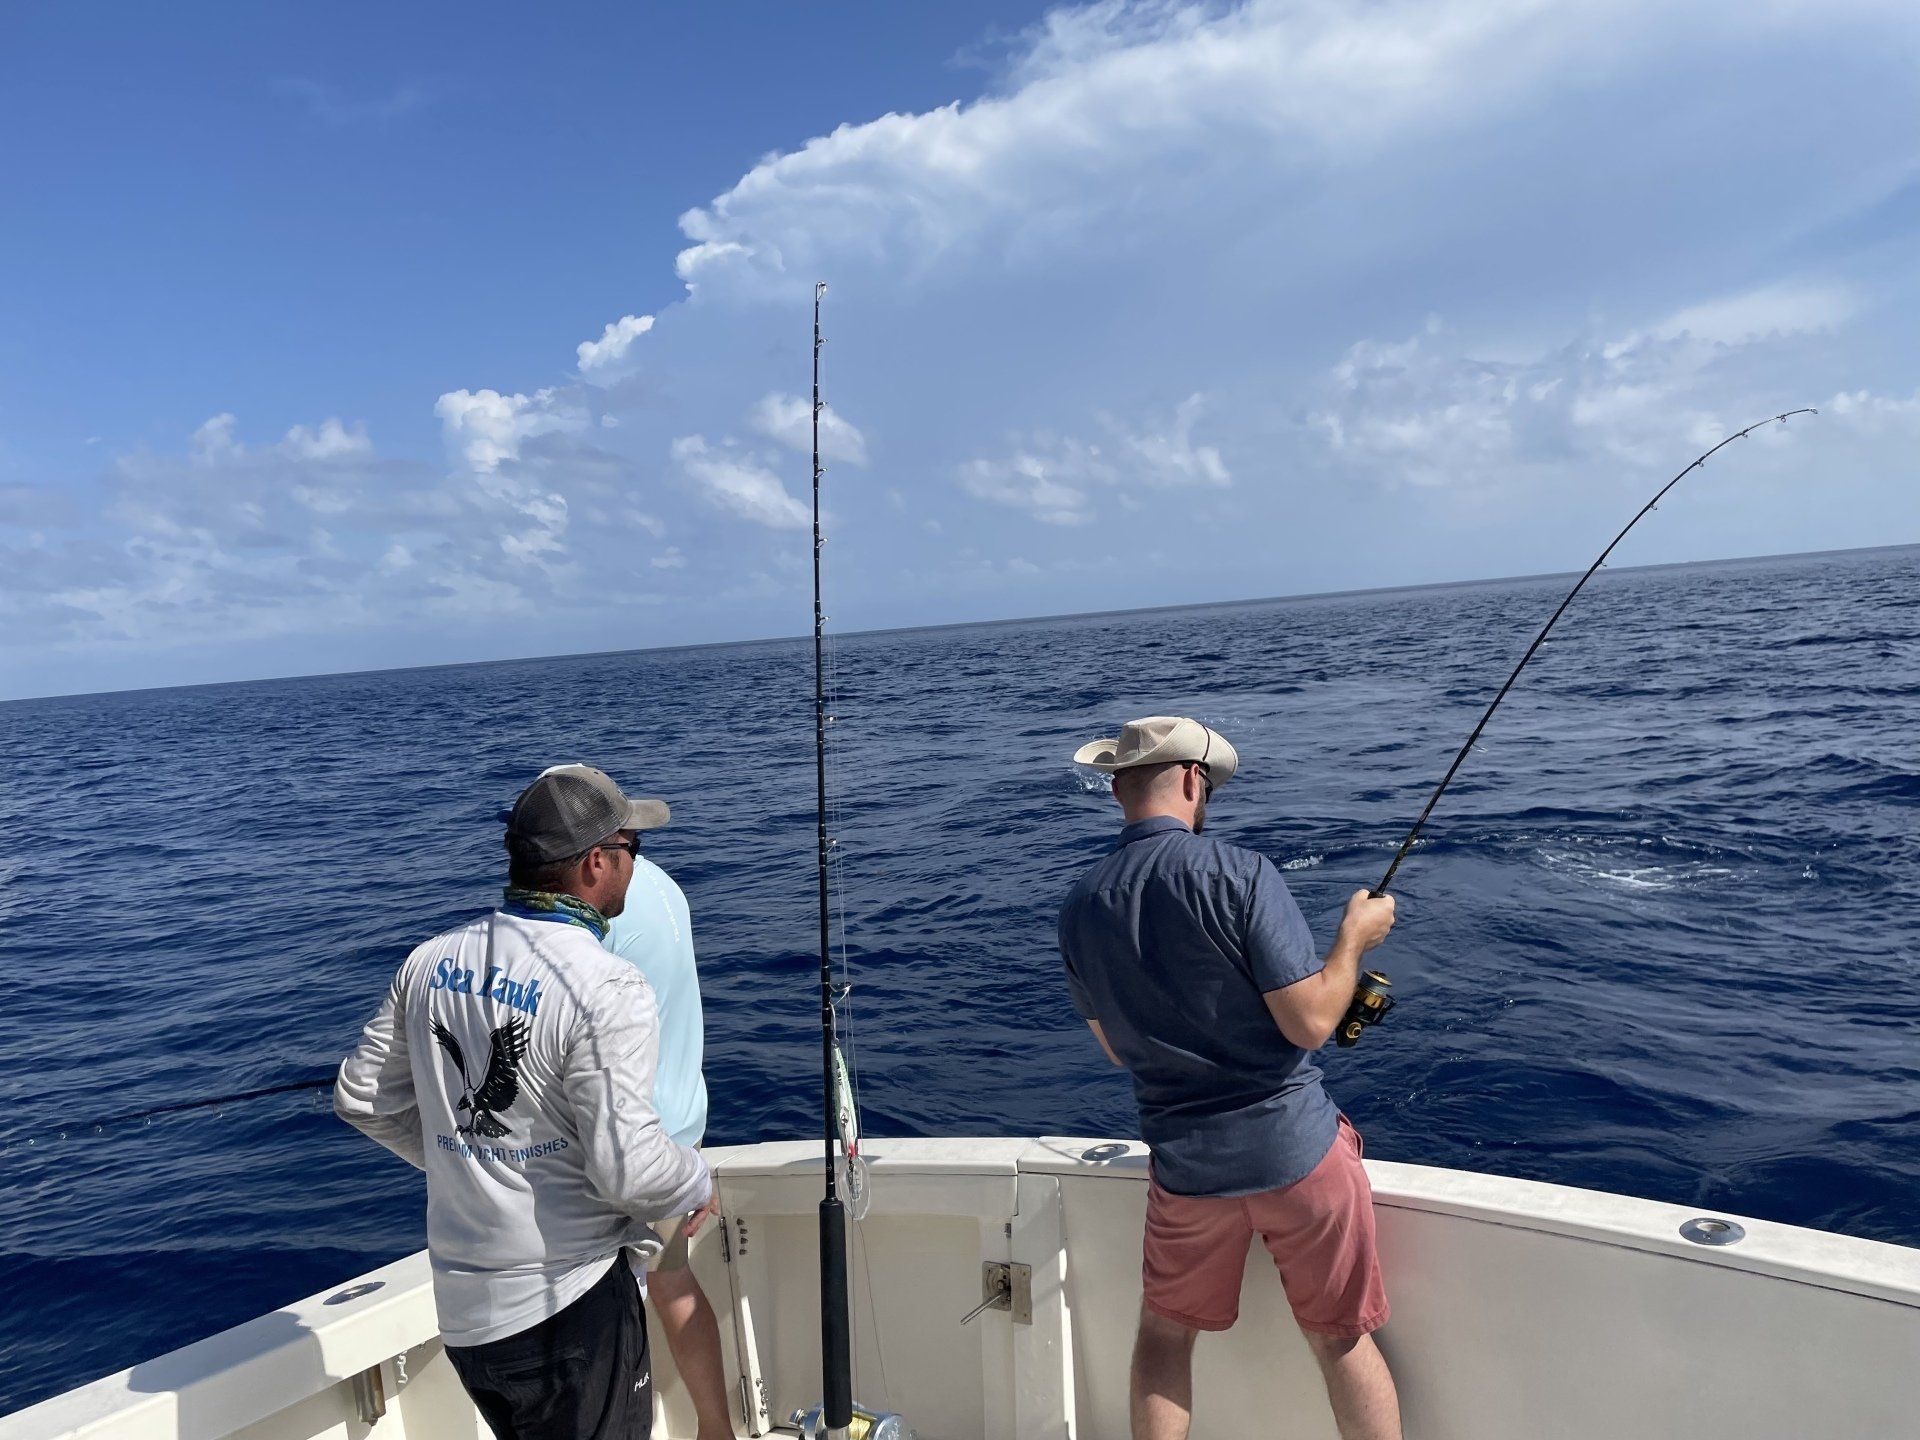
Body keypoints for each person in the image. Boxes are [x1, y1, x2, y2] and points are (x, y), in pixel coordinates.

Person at [336, 763, 714, 1440]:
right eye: (634, 849)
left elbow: (363, 1099)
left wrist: (472, 1160)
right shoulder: (606, 986)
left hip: (467, 1315)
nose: (637, 865)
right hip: (566, 1307)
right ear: (597, 862)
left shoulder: (427, 960)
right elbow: (629, 1173)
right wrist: (696, 1176)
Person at [1058, 717, 1403, 1440]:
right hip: (1296, 1155)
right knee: (1340, 1338)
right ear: (1192, 781)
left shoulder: (1080, 907)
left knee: (1162, 1338)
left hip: (1186, 1174)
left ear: (1120, 788)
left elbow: (1117, 1050)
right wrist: (1354, 938)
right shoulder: (1240, 874)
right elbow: (1311, 1023)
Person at [605, 842, 731, 1440]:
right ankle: (716, 1428)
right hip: (682, 1129)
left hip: (633, 1144)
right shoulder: (663, 885)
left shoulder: (595, 914)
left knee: (606, 1306)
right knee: (673, 1281)